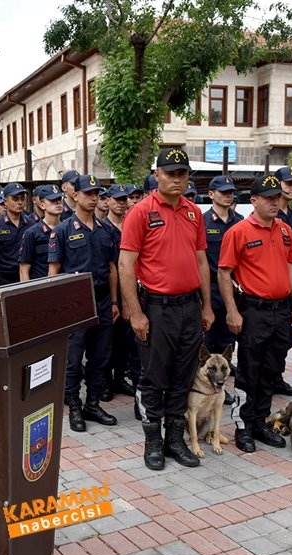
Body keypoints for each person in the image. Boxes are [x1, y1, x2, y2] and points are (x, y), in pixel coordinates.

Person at [120, 148, 214, 470]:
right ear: (157, 175)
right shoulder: (140, 213)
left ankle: (175, 440)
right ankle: (153, 442)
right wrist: (136, 313)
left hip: (190, 307)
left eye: (182, 173)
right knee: (153, 378)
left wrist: (207, 306)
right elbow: (126, 265)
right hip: (157, 309)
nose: (176, 179)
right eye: (170, 173)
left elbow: (201, 261)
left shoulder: (193, 213)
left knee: (182, 377)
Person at [218, 174, 292, 454]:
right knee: (249, 373)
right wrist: (232, 311)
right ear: (253, 201)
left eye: (276, 197)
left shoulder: (285, 230)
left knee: (270, 371)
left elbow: (291, 268)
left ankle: (260, 422)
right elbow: (224, 273)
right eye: (268, 198)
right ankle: (243, 427)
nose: (274, 202)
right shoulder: (239, 232)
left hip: (281, 311)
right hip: (254, 311)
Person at [49, 175, 119, 432]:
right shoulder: (63, 230)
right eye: (88, 193)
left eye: (96, 194)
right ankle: (74, 406)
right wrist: (57, 309)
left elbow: (112, 268)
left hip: (102, 300)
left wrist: (114, 301)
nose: (93, 198)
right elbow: (53, 271)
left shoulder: (105, 230)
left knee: (101, 356)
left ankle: (92, 403)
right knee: (73, 358)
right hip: (75, 302)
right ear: (74, 195)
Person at [271, 166, 292, 398]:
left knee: (288, 335)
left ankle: (277, 376)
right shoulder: (270, 215)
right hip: (272, 282)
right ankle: (267, 377)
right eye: (289, 183)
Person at [104, 184, 140, 397]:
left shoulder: (131, 224)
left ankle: (119, 378)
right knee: (108, 341)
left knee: (128, 341)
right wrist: (115, 300)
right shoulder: (101, 226)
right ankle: (106, 382)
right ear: (107, 200)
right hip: (110, 292)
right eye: (116, 199)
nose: (120, 203)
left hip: (132, 288)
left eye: (123, 199)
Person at [203, 176, 243, 356]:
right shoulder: (203, 222)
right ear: (211, 194)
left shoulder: (240, 222)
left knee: (229, 339)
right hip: (211, 288)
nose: (228, 196)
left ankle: (226, 366)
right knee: (208, 339)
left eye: (231, 192)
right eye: (224, 192)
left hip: (234, 289)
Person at [0, 182, 31, 286]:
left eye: (22, 199)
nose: (20, 203)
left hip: (27, 277)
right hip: (4, 280)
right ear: (5, 201)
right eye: (15, 199)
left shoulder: (31, 225)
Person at [18, 184, 63, 281]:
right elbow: (24, 269)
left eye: (59, 199)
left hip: (68, 283)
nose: (58, 202)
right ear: (42, 205)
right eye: (53, 200)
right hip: (41, 284)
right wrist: (28, 289)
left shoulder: (67, 229)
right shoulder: (32, 233)